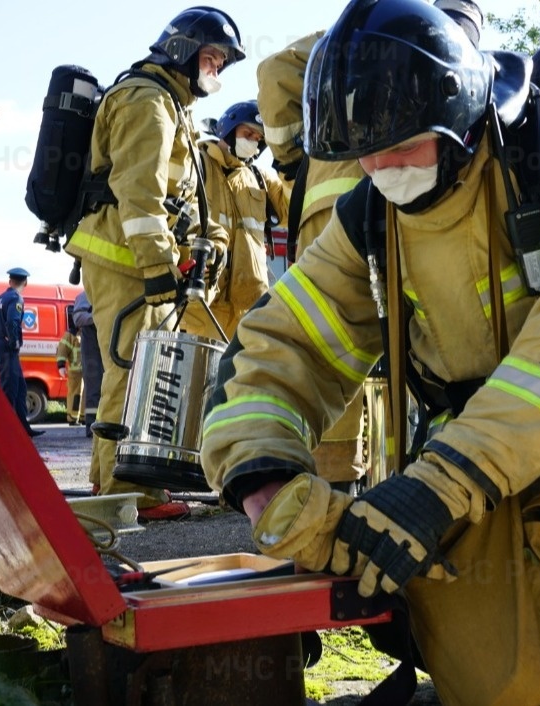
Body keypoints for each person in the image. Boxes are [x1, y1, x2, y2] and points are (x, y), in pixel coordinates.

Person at [201, 1, 540, 703]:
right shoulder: (373, 212)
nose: (379, 166)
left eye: (399, 144)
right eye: (364, 151)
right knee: (495, 678)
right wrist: (265, 483)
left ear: (459, 113)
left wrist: (438, 488)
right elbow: (280, 345)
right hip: (484, 453)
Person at [252, 1, 484, 492]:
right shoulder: (360, 32)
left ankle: (376, 480)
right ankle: (338, 484)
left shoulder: (364, 38)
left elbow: (277, 73)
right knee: (338, 336)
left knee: (385, 343)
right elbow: (273, 70)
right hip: (351, 198)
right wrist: (297, 153)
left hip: (370, 194)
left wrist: (295, 158)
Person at [63, 6, 240, 518]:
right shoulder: (147, 101)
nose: (216, 71)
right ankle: (125, 496)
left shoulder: (169, 102)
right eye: (211, 58)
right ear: (183, 50)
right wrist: (160, 265)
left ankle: (129, 487)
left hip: (135, 259)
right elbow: (139, 195)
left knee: (139, 367)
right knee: (128, 369)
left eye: (222, 64)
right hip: (125, 259)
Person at [181, 100, 289, 340]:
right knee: (202, 377)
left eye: (258, 138)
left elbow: (292, 209)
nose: (253, 141)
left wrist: (288, 162)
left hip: (252, 307)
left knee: (244, 377)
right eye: (247, 133)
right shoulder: (196, 164)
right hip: (204, 307)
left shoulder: (260, 179)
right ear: (228, 129)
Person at [0, 267, 42, 438]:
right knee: (9, 389)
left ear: (10, 282)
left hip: (0, 345)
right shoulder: (16, 298)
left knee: (20, 389)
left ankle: (23, 429)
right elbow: (12, 321)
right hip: (8, 347)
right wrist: (13, 341)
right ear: (25, 283)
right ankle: (4, 430)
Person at [72, 290, 102, 440]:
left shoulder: (110, 289)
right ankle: (92, 427)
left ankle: (106, 425)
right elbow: (78, 318)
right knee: (94, 389)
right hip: (92, 349)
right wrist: (98, 318)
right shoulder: (84, 296)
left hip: (107, 347)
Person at [56, 320, 84, 426]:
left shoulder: (84, 333)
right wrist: (61, 365)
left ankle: (83, 416)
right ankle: (73, 417)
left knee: (84, 395)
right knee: (76, 395)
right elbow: (62, 349)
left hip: (85, 371)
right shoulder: (71, 335)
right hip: (75, 371)